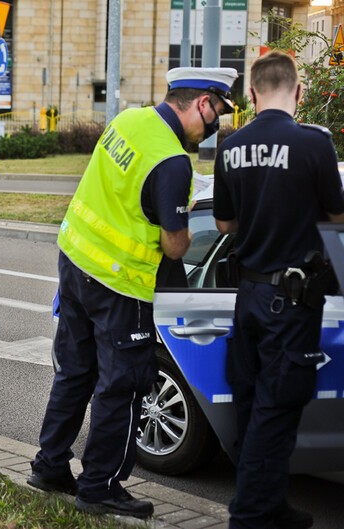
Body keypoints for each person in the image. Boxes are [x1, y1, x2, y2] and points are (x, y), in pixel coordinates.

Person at [28, 66, 238, 519]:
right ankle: (99, 486)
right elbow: (176, 243)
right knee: (121, 386)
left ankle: (49, 465)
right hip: (121, 285)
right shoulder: (172, 161)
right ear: (202, 103)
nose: (214, 126)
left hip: (76, 261)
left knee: (74, 373)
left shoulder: (127, 121)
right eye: (217, 113)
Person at [213, 50, 344, 529]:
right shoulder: (314, 144)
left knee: (251, 405)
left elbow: (224, 222)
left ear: (251, 94)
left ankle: (268, 506)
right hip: (292, 303)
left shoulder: (231, 146)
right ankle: (250, 515)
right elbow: (339, 217)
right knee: (278, 407)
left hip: (247, 297)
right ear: (299, 92)